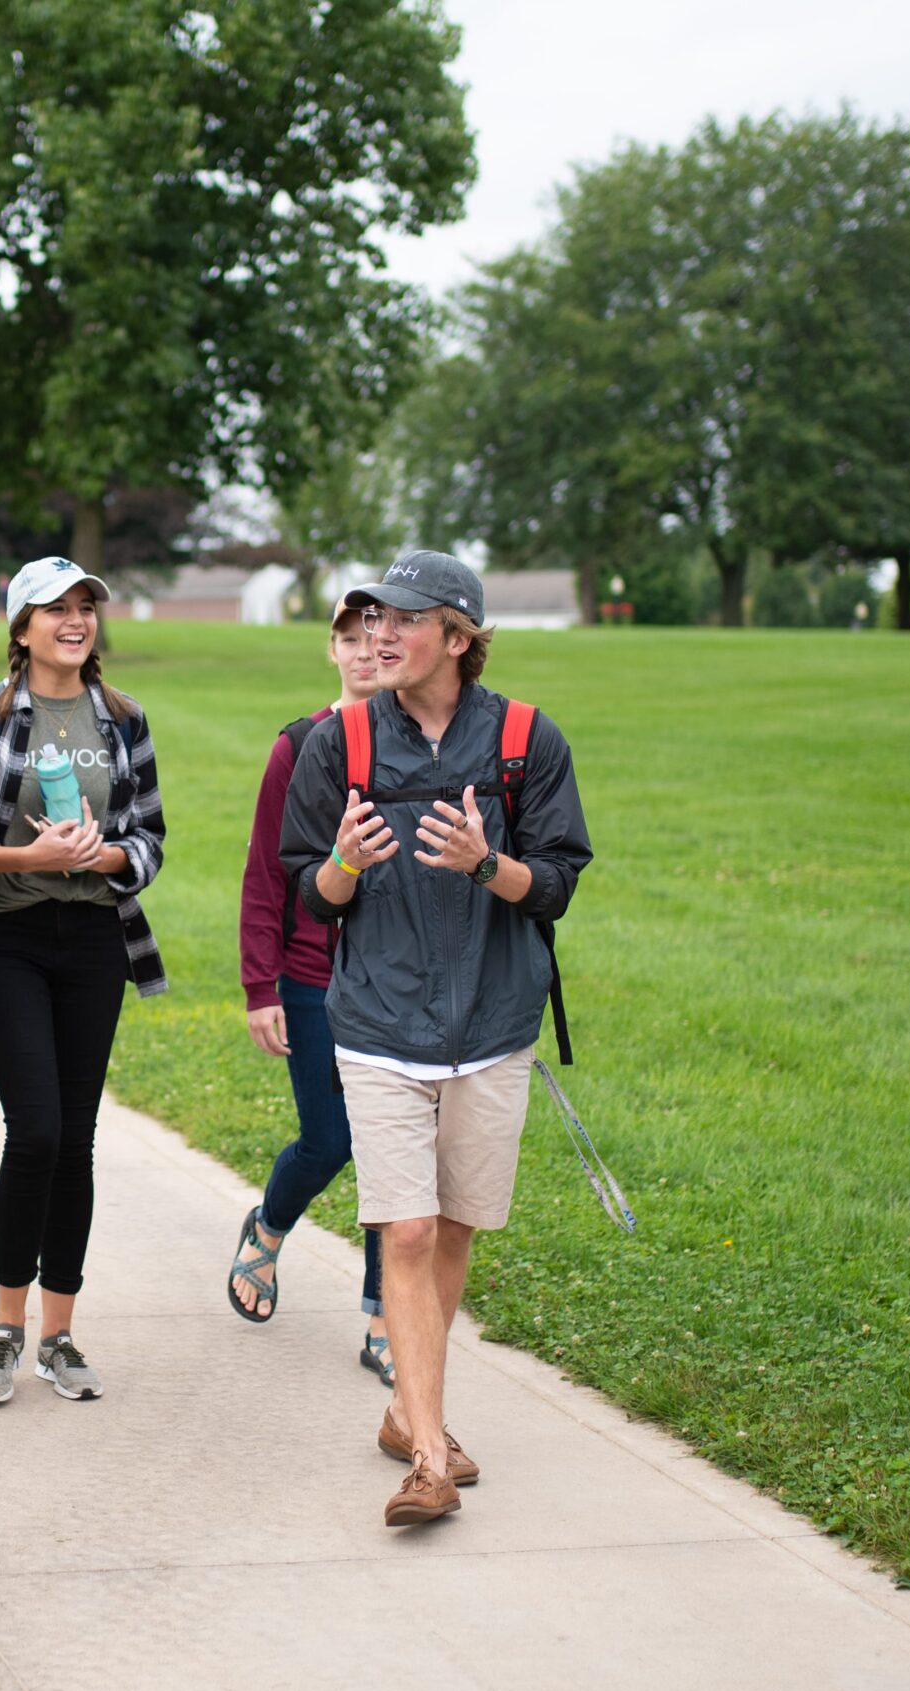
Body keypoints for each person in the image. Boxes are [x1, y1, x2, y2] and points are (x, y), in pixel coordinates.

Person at [279, 550, 592, 1527]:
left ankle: (404, 1406)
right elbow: (307, 889)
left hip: (494, 1022)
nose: (379, 632)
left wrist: (484, 863)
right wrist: (339, 863)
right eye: (371, 616)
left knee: (452, 1228)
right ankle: (426, 1453)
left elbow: (555, 883)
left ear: (456, 637)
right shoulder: (341, 746)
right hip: (377, 1022)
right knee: (404, 1229)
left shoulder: (527, 742)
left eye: (402, 618)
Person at [0, 557, 168, 1407]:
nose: (74, 621)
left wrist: (106, 853)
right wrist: (23, 856)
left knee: (75, 1137)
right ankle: (5, 1327)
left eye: (86, 608)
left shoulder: (123, 718)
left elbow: (150, 836)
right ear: (21, 626)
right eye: (55, 609)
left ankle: (59, 1335)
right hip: (8, 936)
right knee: (33, 1128)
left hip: (94, 940)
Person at [226, 587, 392, 1382]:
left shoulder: (421, 746)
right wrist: (261, 984)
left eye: (378, 635)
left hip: (396, 983)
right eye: (349, 637)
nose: (365, 650)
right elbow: (265, 872)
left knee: (395, 1153)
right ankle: (268, 1225)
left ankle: (384, 1316)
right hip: (310, 976)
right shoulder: (300, 746)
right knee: (332, 1138)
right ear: (331, 649)